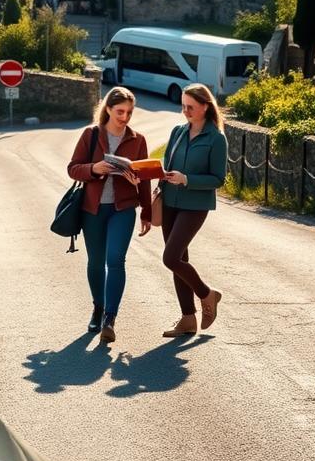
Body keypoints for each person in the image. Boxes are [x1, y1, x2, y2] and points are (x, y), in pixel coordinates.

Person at [67, 87, 154, 342]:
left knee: (116, 260)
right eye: (120, 112)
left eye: (129, 112)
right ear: (107, 109)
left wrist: (146, 211)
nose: (125, 117)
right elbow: (73, 169)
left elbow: (145, 179)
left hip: (123, 209)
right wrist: (95, 168)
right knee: (95, 262)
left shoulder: (138, 140)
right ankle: (98, 307)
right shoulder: (91, 135)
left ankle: (110, 318)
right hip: (93, 209)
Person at [156, 83, 228, 338]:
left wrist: (187, 179)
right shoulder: (177, 132)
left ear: (205, 107)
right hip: (170, 202)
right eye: (183, 106)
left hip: (195, 205)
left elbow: (219, 179)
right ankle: (188, 319)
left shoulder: (216, 139)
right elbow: (167, 164)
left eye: (191, 107)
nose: (185, 111)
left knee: (170, 257)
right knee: (179, 261)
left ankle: (207, 294)